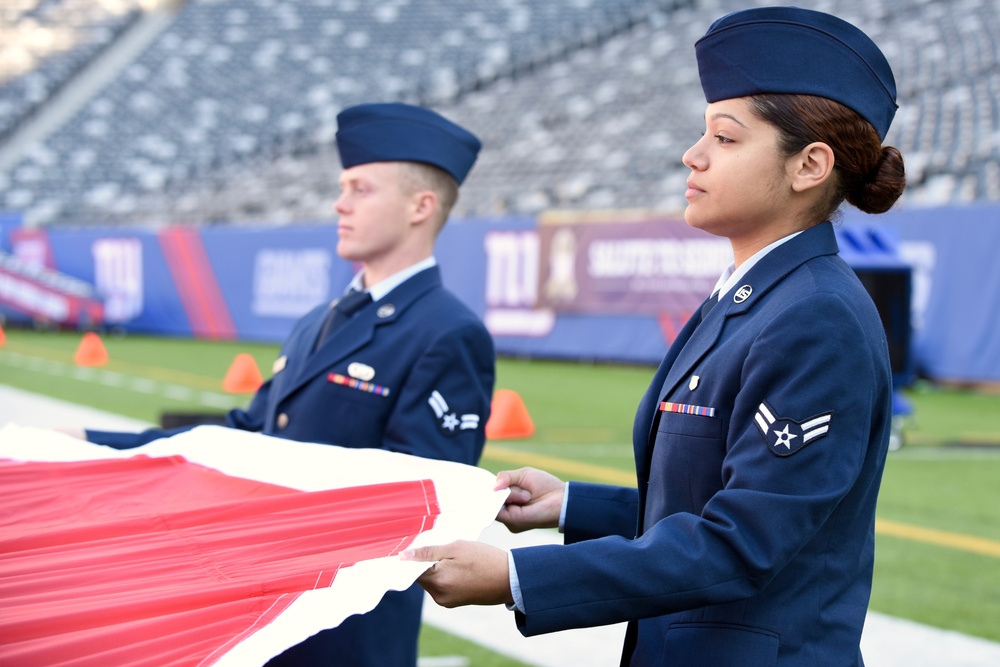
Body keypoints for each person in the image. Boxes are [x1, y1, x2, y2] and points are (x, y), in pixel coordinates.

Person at [403, 7, 906, 666]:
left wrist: (516, 577)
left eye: (724, 139)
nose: (691, 155)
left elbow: (742, 541)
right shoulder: (751, 298)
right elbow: (709, 500)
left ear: (809, 164)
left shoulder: (817, 317)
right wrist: (570, 505)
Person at [82, 102, 496, 666]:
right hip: (264, 617)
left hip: (345, 632)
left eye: (360, 188)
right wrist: (92, 446)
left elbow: (423, 499)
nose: (339, 202)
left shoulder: (448, 331)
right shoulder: (319, 320)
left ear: (420, 206)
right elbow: (244, 435)